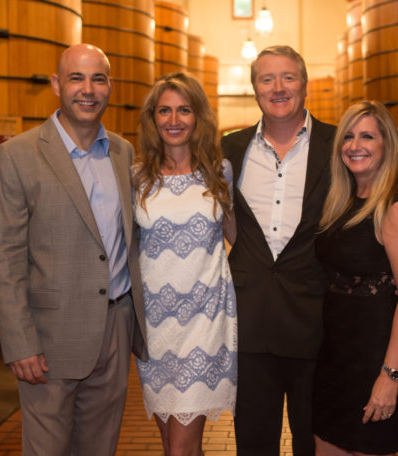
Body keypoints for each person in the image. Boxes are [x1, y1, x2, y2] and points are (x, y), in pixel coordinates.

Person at [0, 43, 147, 455]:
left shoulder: (123, 153)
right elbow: (3, 258)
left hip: (114, 331)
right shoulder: (16, 156)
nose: (87, 89)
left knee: (100, 449)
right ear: (57, 84)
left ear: (112, 85)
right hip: (49, 341)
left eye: (97, 78)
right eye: (76, 78)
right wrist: (20, 343)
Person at [220, 45, 337, 456]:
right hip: (250, 323)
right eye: (266, 79)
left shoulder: (337, 145)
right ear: (254, 88)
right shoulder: (230, 150)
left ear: (304, 84)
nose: (278, 87)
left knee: (313, 440)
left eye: (288, 77)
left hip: (317, 321)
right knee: (253, 443)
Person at [313, 101, 398, 455]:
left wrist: (389, 377)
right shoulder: (343, 201)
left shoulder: (396, 207)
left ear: (386, 144)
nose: (354, 145)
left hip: (377, 357)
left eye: (367, 136)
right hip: (337, 356)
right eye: (347, 136)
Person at [132, 72, 237, 456]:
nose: (174, 120)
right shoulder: (137, 179)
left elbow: (240, 239)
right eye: (164, 111)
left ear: (198, 118)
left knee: (180, 447)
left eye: (184, 110)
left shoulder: (219, 173)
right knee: (172, 444)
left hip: (204, 322)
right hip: (157, 330)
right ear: (153, 118)